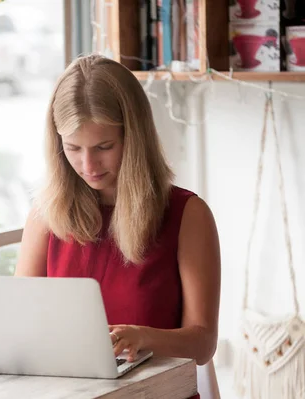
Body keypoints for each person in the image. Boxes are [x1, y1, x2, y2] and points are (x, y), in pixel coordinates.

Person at [15, 55, 221, 372]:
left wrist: (142, 337)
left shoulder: (188, 216)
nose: (88, 166)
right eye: (73, 148)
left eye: (104, 147)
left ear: (134, 137)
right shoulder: (45, 217)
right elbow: (20, 327)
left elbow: (203, 345)